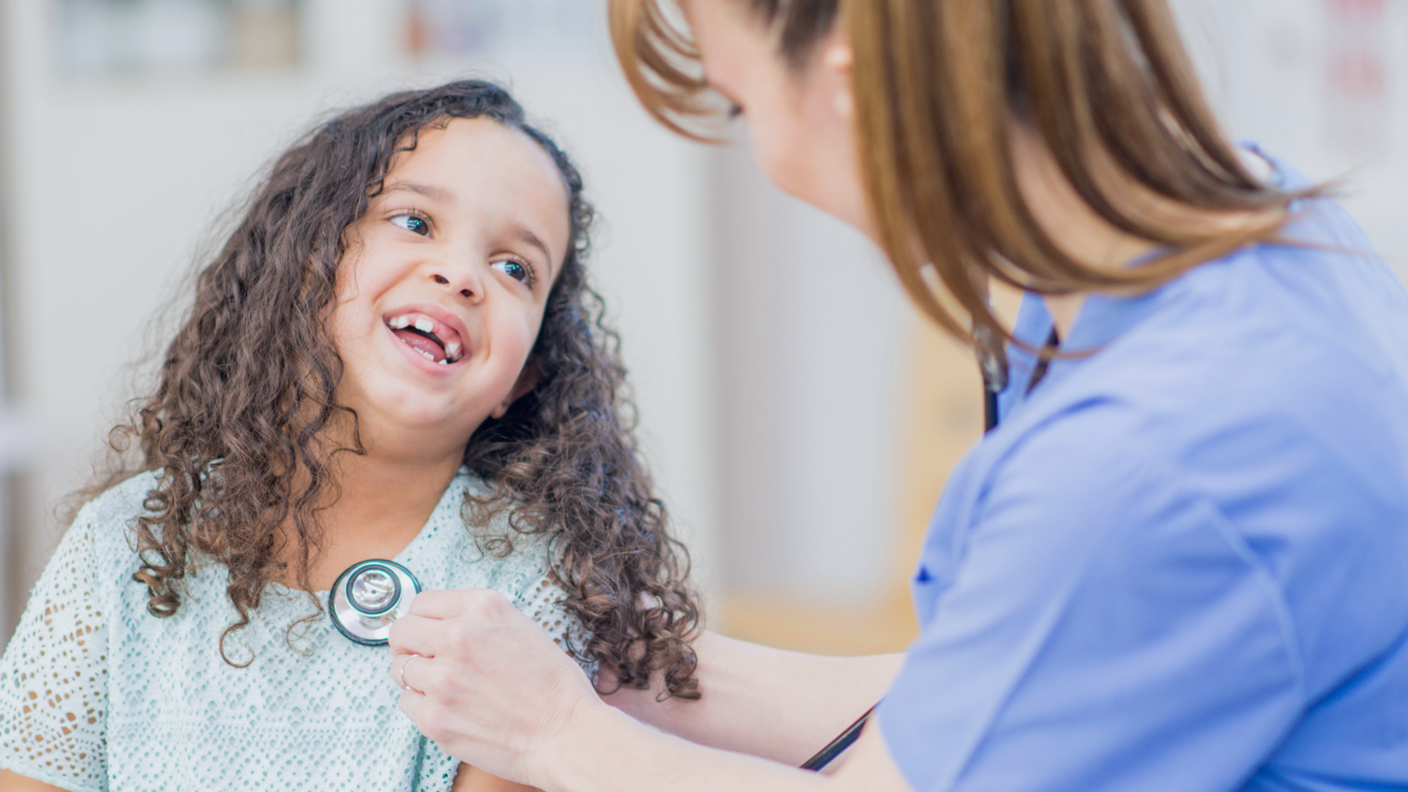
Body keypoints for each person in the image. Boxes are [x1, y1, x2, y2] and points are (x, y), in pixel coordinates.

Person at [385, 1, 1408, 791]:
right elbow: (994, 685)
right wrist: (623, 666)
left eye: (742, 107)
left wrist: (558, 732)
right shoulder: (1239, 218)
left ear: (857, 89)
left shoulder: (1146, 466)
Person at [0, 80, 702, 792]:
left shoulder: (532, 585)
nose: (460, 275)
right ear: (304, 263)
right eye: (415, 222)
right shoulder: (118, 547)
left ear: (523, 381)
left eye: (516, 268)